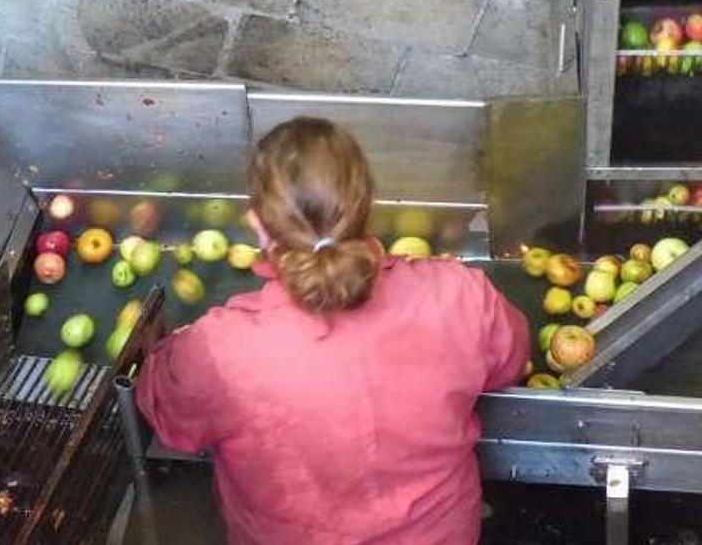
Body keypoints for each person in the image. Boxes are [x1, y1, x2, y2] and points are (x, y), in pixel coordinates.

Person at [135, 117, 529, 544]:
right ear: (367, 205)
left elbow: (167, 413)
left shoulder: (221, 350)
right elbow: (510, 362)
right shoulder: (460, 296)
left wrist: (171, 347)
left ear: (260, 226)